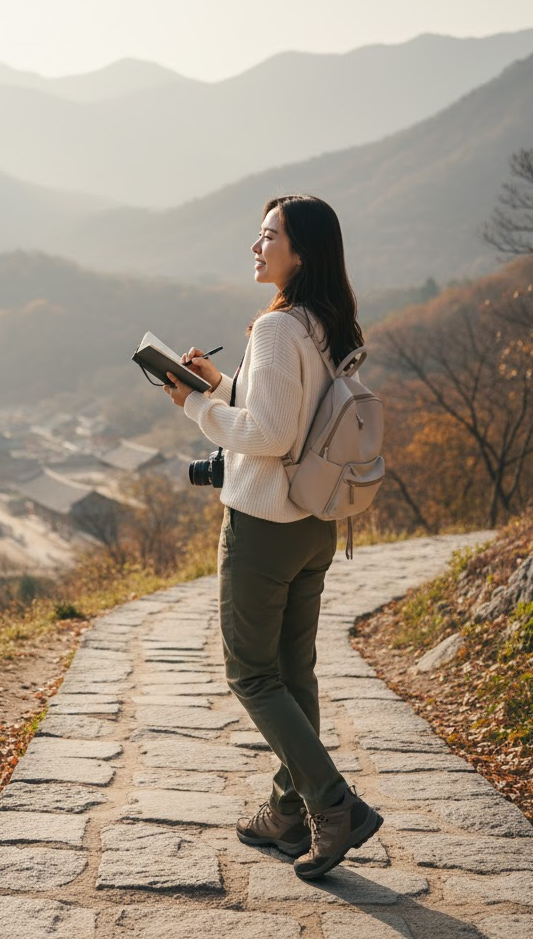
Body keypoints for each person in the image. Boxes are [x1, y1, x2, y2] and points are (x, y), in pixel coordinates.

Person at [163, 194, 383, 880]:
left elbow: (268, 434)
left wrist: (196, 405)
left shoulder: (277, 328)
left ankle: (331, 804)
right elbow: (285, 408)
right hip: (315, 525)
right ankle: (288, 812)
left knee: (252, 675)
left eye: (268, 237)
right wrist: (219, 383)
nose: (256, 248)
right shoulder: (324, 323)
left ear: (301, 252)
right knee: (293, 672)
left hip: (264, 526)